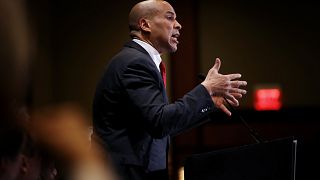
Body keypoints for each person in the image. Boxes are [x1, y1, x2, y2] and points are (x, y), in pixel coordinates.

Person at [92, 0, 247, 180]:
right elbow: (160, 122)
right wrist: (205, 89)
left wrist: (208, 102)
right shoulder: (134, 63)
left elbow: (163, 126)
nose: (179, 25)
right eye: (170, 17)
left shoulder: (142, 61)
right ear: (145, 24)